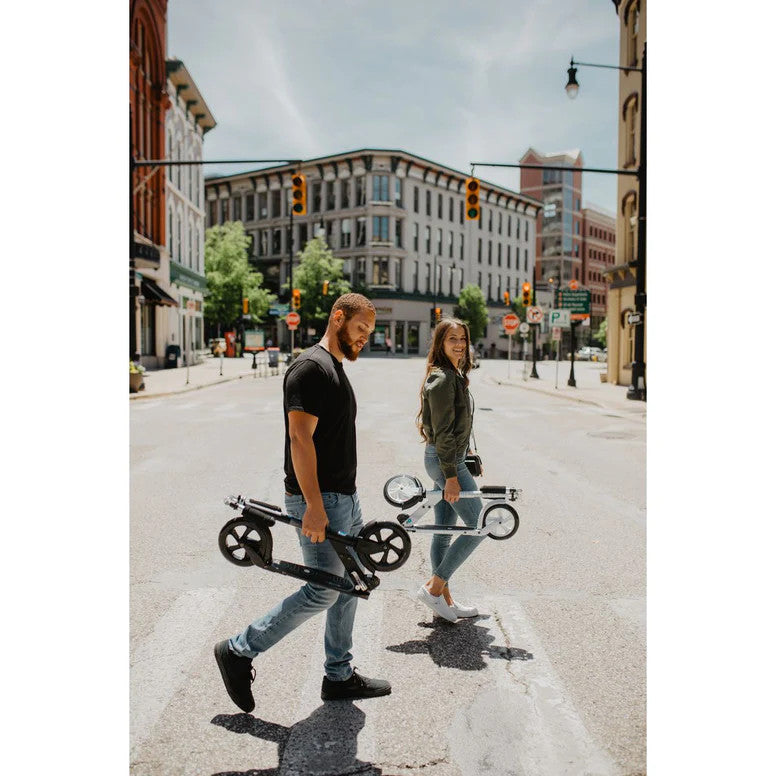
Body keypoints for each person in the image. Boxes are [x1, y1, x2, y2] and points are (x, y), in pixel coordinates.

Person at [214, 293, 392, 713]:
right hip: (321, 501)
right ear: (338, 317)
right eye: (360, 328)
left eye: (370, 331)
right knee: (322, 591)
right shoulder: (310, 368)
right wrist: (313, 505)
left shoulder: (334, 367)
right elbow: (300, 438)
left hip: (343, 497)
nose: (365, 337)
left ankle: (339, 675)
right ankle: (239, 650)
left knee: (351, 583)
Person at [414, 318, 485, 622]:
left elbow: (452, 427)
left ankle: (445, 602)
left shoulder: (452, 375)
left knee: (443, 532)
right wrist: (453, 476)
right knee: (479, 525)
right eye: (452, 339)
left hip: (450, 458)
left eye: (463, 339)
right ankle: (434, 587)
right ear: (440, 343)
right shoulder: (443, 378)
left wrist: (466, 452)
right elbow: (442, 432)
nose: (459, 344)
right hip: (447, 462)